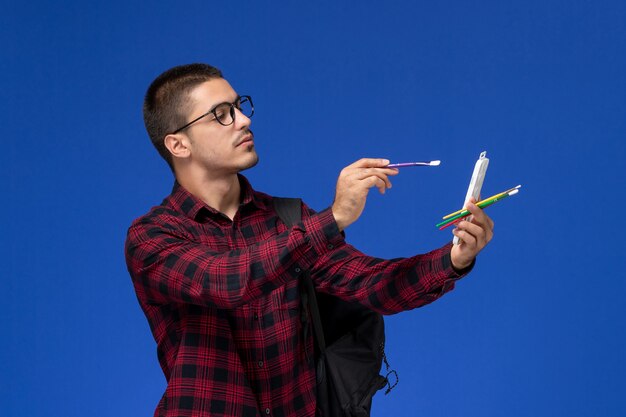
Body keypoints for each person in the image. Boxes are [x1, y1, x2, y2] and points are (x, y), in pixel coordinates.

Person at [125, 63, 494, 417]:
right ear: (178, 145)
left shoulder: (289, 219)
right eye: (222, 114)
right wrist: (332, 218)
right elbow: (224, 280)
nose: (244, 120)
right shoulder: (152, 238)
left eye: (239, 106)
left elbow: (371, 284)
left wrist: (454, 258)